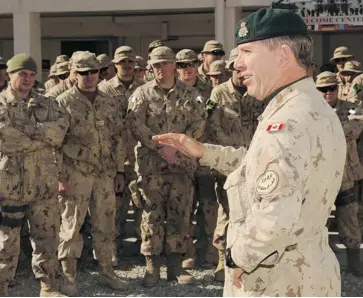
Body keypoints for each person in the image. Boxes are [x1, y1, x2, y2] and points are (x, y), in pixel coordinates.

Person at [152, 8, 345, 296]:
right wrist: (204, 151)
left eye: (246, 52)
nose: (237, 64)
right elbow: (263, 165)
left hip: (278, 280)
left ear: (281, 56)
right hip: (306, 272)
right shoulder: (308, 106)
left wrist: (239, 256)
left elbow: (276, 216)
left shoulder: (287, 123)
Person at [127, 46, 206, 287]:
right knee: (151, 215)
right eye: (156, 65)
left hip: (181, 166)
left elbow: (199, 123)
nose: (160, 69)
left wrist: (178, 147)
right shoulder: (141, 94)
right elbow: (136, 124)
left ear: (174, 65)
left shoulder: (190, 95)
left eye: (165, 63)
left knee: (180, 215)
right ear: (151, 67)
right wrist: (159, 146)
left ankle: (175, 267)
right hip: (152, 166)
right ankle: (152, 267)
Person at [56, 51, 127, 295]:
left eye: (93, 72)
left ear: (100, 72)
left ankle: (107, 272)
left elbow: (118, 137)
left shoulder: (109, 101)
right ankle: (68, 277)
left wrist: (119, 171)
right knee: (71, 225)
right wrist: (60, 177)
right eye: (83, 72)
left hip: (104, 173)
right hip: (75, 172)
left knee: (105, 223)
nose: (89, 77)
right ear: (73, 74)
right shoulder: (63, 102)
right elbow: (55, 143)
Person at [0, 53, 69, 296]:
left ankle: (48, 286)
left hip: (44, 184)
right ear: (9, 75)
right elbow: (6, 140)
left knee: (47, 239)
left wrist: (29, 131)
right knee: (6, 244)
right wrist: (42, 138)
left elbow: (60, 131)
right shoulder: (1, 104)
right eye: (23, 74)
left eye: (32, 74)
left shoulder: (47, 103)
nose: (28, 79)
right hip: (10, 188)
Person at [204, 47, 268, 283]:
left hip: (257, 164)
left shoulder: (258, 92)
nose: (242, 73)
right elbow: (211, 127)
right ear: (231, 68)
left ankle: (249, 259)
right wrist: (234, 152)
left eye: (245, 68)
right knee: (228, 211)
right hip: (228, 166)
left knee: (254, 212)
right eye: (237, 68)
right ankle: (223, 257)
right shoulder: (218, 94)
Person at [99, 46, 145, 262]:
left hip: (140, 158)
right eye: (122, 62)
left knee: (141, 204)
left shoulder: (144, 88)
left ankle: (142, 248)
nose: (126, 65)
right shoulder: (104, 90)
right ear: (114, 65)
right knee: (113, 208)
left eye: (130, 62)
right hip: (113, 158)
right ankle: (112, 250)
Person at [316, 71, 363, 277]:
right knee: (317, 219)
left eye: (331, 88)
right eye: (322, 89)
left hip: (345, 173)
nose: (327, 93)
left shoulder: (350, 108)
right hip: (320, 175)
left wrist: (325, 131)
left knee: (349, 217)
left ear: (337, 88)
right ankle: (321, 260)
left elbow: (354, 129)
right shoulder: (311, 110)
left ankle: (354, 261)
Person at [175, 49, 213, 270]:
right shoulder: (172, 91)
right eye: (181, 65)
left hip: (206, 157)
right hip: (180, 159)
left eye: (190, 64)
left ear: (198, 64)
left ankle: (209, 252)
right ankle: (187, 252)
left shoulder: (210, 91)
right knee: (184, 208)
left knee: (208, 207)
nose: (186, 69)